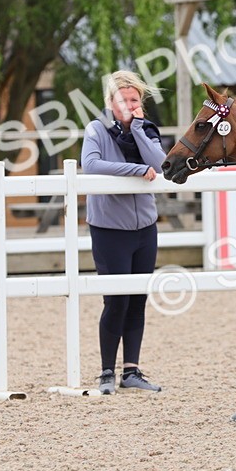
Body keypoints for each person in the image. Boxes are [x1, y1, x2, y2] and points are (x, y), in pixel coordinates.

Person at [81, 70, 167, 394]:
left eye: (134, 100)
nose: (129, 105)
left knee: (138, 299)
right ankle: (106, 372)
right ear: (111, 103)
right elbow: (91, 165)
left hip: (145, 226)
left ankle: (131, 370)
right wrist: (135, 171)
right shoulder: (96, 130)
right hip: (109, 228)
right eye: (122, 100)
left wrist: (140, 131)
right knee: (115, 300)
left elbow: (160, 164)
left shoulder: (147, 130)